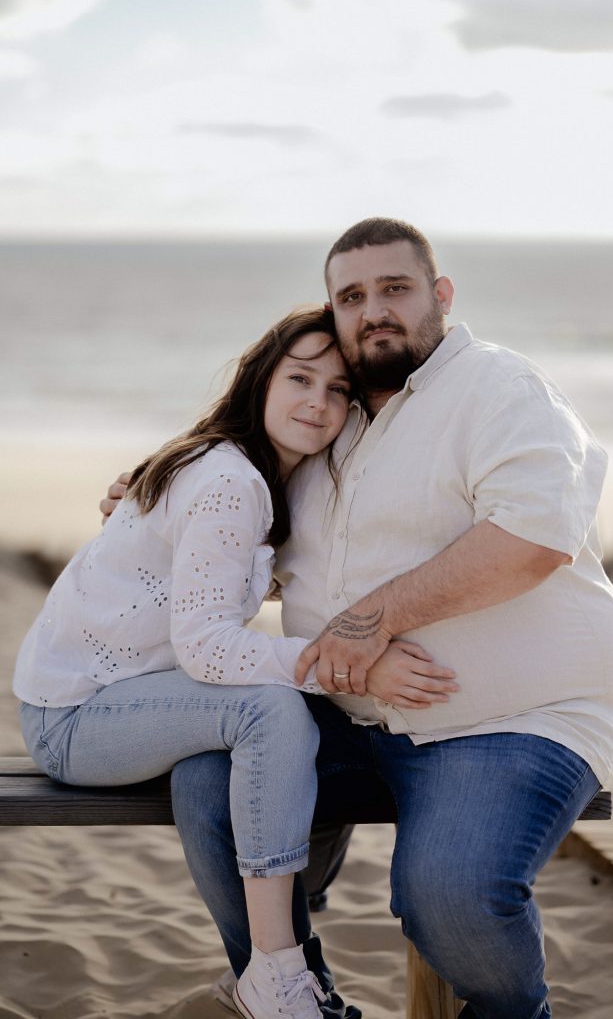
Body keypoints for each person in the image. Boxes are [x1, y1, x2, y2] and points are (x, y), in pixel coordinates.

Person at [102, 219, 613, 1019]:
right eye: (350, 297)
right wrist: (156, 506)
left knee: (450, 897)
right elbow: (256, 539)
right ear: (332, 312)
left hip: (510, 720)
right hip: (351, 717)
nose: (372, 311)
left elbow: (531, 541)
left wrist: (368, 620)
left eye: (394, 288)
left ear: (440, 295)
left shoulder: (498, 389)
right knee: (208, 784)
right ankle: (297, 993)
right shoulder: (327, 422)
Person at [14, 303, 458, 1019]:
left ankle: (281, 974)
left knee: (205, 777)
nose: (317, 403)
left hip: (136, 697)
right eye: (300, 379)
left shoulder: (260, 475)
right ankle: (278, 969)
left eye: (338, 390)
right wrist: (356, 667)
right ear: (260, 380)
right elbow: (207, 648)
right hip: (75, 715)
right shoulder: (231, 481)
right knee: (269, 706)